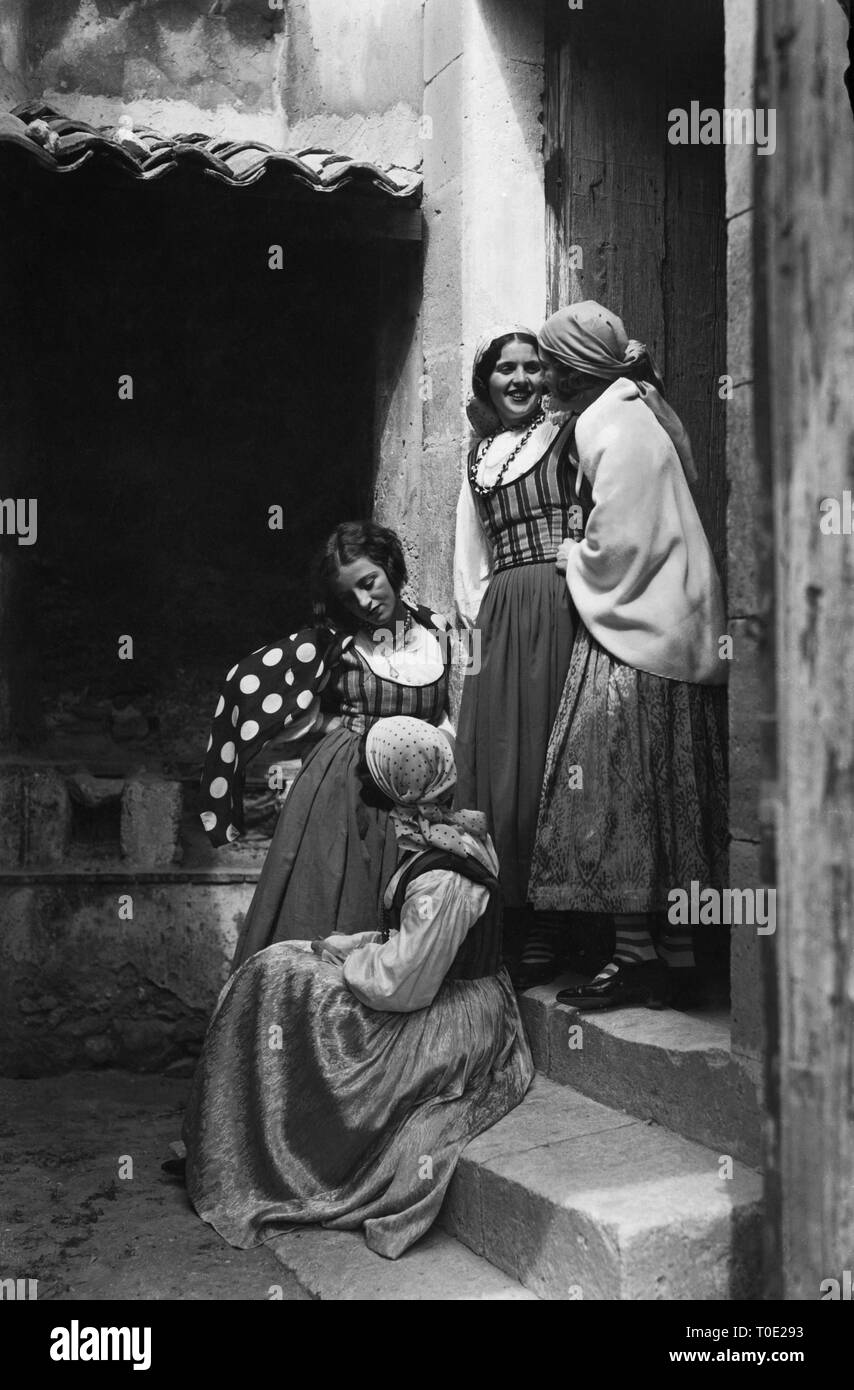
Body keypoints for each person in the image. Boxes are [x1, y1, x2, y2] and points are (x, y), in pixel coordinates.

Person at [182, 717, 534, 1260]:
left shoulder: (443, 877)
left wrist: (350, 962)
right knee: (278, 967)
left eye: (373, 776)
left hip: (451, 1018)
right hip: (430, 985)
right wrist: (355, 944)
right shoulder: (447, 842)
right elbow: (413, 945)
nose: (364, 786)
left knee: (281, 984)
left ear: (400, 789)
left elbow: (403, 985)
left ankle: (277, 1154)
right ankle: (245, 1142)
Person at [528, 300, 729, 1009]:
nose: (543, 372)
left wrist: (571, 555)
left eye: (551, 360)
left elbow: (621, 543)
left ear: (576, 364)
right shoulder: (637, 407)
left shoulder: (609, 423)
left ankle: (638, 955)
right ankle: (672, 956)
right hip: (672, 629)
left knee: (616, 792)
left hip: (636, 639)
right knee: (667, 800)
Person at [199, 521, 453, 969]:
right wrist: (332, 723)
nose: (364, 602)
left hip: (421, 794)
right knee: (333, 907)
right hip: (347, 790)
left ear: (390, 567)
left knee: (412, 926)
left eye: (369, 583)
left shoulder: (439, 633)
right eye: (348, 595)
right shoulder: (337, 644)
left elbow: (452, 716)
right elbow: (247, 684)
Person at [453, 325, 589, 987]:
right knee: (498, 765)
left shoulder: (569, 437)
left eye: (532, 368)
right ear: (488, 382)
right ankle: (506, 916)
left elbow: (601, 512)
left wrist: (583, 568)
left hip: (559, 606)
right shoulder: (478, 459)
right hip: (501, 615)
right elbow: (469, 558)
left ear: (549, 378)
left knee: (549, 761)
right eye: (505, 369)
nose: (519, 379)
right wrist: (479, 630)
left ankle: (554, 924)